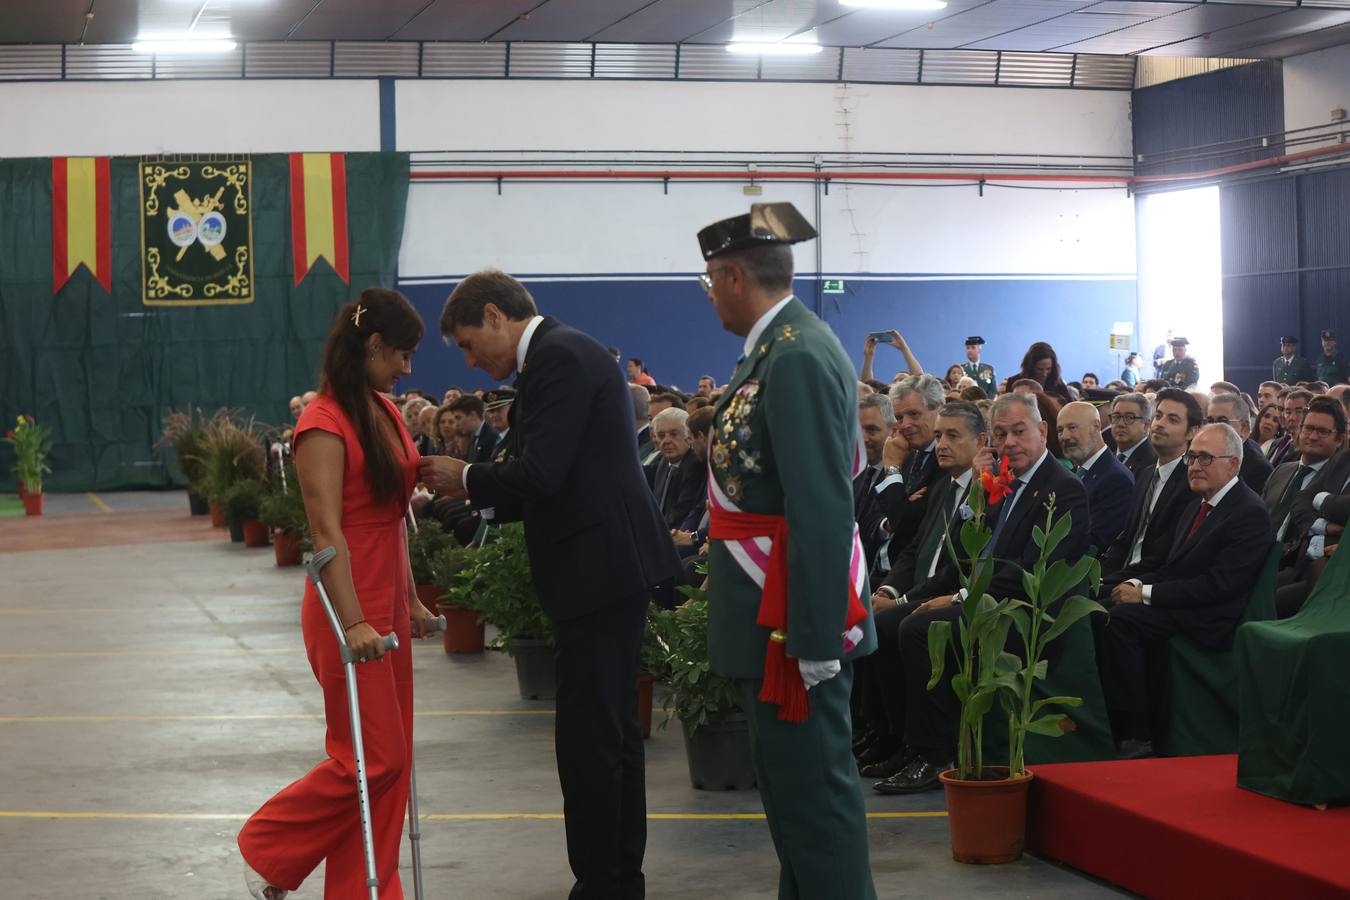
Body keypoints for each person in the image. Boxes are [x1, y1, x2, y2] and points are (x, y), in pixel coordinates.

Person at [419, 268, 680, 899]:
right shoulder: (564, 354)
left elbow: (541, 473)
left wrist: (468, 478)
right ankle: (616, 878)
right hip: (604, 567)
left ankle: (602, 883)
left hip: (598, 570)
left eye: (466, 343)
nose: (471, 361)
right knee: (609, 733)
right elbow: (551, 474)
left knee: (592, 739)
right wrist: (474, 491)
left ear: (494, 315)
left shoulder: (557, 358)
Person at [697, 202, 877, 900]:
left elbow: (821, 502)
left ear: (735, 275)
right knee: (794, 808)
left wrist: (813, 634)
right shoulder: (780, 346)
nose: (709, 294)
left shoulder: (796, 354)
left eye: (710, 281)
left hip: (791, 629)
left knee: (817, 806)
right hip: (773, 617)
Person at [238, 288, 441, 900]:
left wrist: (408, 603)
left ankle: (362, 890)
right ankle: (269, 848)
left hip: (386, 599)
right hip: (345, 604)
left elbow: (395, 518)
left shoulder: (384, 410)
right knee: (369, 761)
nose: (408, 370)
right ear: (373, 346)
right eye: (401, 355)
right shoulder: (320, 425)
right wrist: (355, 622)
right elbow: (326, 533)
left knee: (391, 764)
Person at [878, 391, 1091, 793]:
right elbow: (965, 554)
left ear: (1042, 431)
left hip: (1021, 614)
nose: (1009, 442)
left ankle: (936, 754)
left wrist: (961, 597)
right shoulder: (1000, 481)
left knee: (918, 630)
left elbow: (1033, 574)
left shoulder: (1062, 488)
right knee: (888, 623)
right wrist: (906, 597)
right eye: (1000, 433)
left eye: (1019, 431)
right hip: (978, 597)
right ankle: (905, 740)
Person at [1100, 423, 1275, 759]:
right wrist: (1135, 584)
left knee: (1120, 622)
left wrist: (1147, 594)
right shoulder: (1198, 503)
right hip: (1184, 603)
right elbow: (1169, 564)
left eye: (1206, 458)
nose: (1195, 466)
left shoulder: (1247, 512)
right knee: (1100, 608)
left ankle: (1138, 734)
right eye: (1192, 457)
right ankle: (1113, 721)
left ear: (1233, 464)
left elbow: (1220, 586)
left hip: (1214, 618)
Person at [858, 401, 985, 781]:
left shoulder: (985, 490)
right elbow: (912, 548)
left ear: (980, 441)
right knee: (869, 615)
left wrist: (902, 600)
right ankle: (892, 735)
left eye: (953, 435)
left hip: (950, 593)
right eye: (941, 434)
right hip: (917, 587)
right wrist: (889, 588)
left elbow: (956, 570)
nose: (941, 443)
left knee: (898, 626)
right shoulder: (943, 484)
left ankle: (930, 751)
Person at [1058, 400, 1133, 551]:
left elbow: (1096, 543)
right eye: (1060, 430)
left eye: (1072, 427)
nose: (1064, 436)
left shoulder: (1116, 479)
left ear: (1096, 426)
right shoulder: (1073, 474)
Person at [1208, 393, 1273, 494]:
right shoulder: (1204, 455)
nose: (1214, 428)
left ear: (1244, 427)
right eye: (1210, 421)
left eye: (1223, 421)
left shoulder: (1258, 470)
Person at [1008, 341, 1076, 403]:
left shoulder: (1058, 384)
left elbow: (1070, 407)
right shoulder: (1013, 382)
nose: (1044, 373)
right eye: (1040, 369)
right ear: (1031, 367)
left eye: (1048, 369)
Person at [448, 394, 498, 465]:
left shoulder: (493, 437)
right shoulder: (474, 437)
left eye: (458, 418)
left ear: (472, 415)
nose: (456, 424)